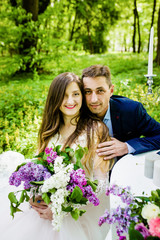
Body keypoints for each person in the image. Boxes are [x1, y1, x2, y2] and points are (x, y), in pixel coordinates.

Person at [0, 72, 113, 240]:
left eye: (75, 94)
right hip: (45, 207)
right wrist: (35, 197)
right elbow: (39, 170)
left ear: (82, 97)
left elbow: (102, 185)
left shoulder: (95, 130)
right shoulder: (49, 131)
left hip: (77, 211)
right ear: (55, 99)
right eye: (64, 96)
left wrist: (62, 207)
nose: (70, 101)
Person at [81, 64, 160, 162]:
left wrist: (127, 146)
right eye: (88, 92)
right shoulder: (78, 112)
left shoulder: (131, 110)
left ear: (111, 91)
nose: (93, 100)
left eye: (100, 91)